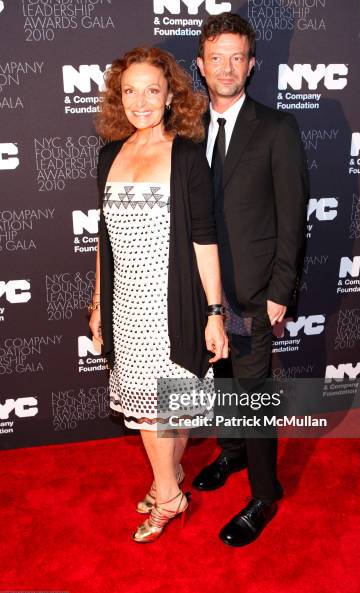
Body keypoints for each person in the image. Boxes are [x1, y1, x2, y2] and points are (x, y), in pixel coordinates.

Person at [89, 46, 228, 543]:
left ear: (171, 94)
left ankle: (169, 496)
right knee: (156, 408)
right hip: (126, 306)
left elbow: (204, 239)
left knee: (169, 405)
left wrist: (215, 312)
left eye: (152, 89)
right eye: (130, 91)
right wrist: (97, 304)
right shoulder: (110, 155)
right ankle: (167, 482)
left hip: (174, 304)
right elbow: (104, 242)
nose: (141, 101)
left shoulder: (186, 157)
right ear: (117, 97)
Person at [193, 13, 309, 546]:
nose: (226, 67)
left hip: (257, 291)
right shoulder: (189, 131)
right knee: (221, 383)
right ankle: (233, 454)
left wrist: (281, 292)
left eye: (237, 56)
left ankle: (264, 493)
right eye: (216, 56)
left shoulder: (277, 128)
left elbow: (293, 218)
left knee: (254, 392)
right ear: (200, 65)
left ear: (252, 64)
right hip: (203, 291)